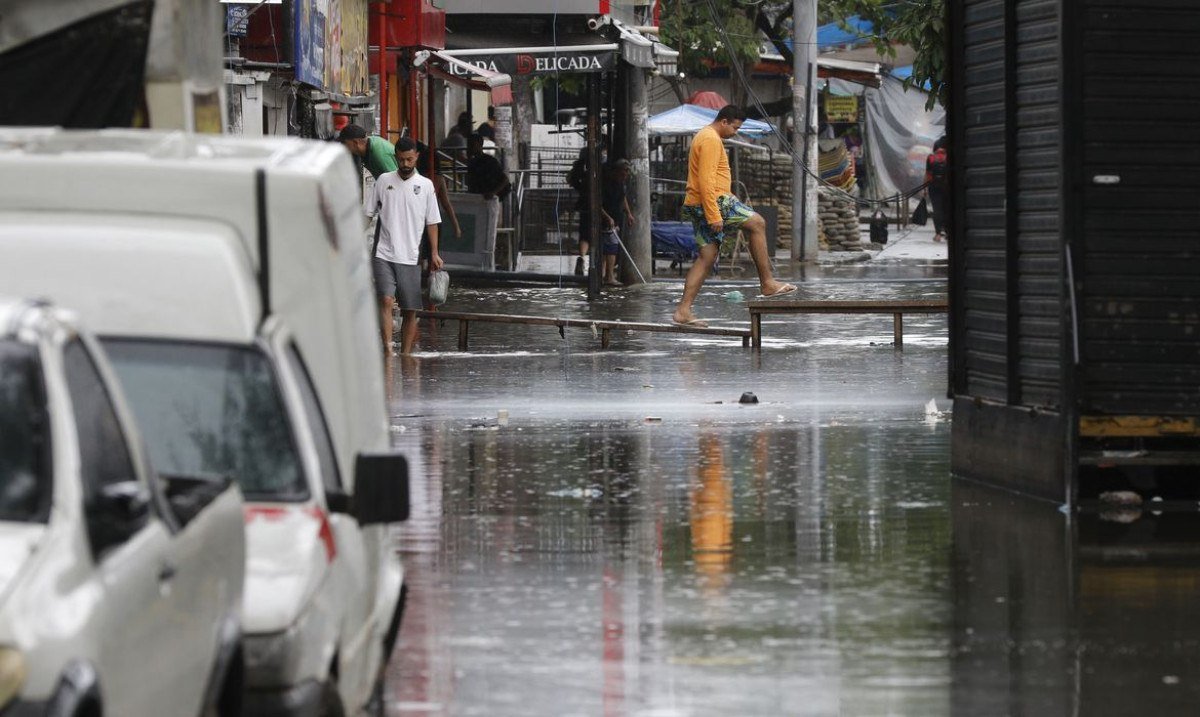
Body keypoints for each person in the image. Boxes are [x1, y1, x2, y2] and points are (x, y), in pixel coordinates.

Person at [673, 105, 795, 327]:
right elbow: (706, 181)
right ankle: (767, 283)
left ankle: (683, 310)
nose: (736, 132)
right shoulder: (710, 139)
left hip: (697, 202)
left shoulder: (704, 135)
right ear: (724, 122)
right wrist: (713, 215)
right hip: (713, 201)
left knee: (707, 257)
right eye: (735, 127)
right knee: (758, 223)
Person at [363, 137, 443, 355]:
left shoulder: (425, 186)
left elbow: (432, 221)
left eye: (409, 159)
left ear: (416, 157)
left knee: (410, 310)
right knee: (386, 299)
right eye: (401, 159)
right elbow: (368, 215)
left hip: (411, 256)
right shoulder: (382, 181)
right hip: (383, 253)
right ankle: (388, 351)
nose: (405, 164)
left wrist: (434, 252)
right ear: (395, 157)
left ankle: (406, 355)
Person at [566, 134, 609, 276]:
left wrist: (581, 188)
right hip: (597, 200)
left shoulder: (583, 159)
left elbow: (571, 178)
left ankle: (583, 257)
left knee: (585, 233)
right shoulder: (601, 160)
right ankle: (597, 263)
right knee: (600, 232)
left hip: (585, 200)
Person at [465, 133, 509, 266]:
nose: (469, 147)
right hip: (477, 202)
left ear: (479, 145)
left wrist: (492, 193)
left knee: (488, 233)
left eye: (472, 144)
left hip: (488, 203)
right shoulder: (473, 163)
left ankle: (489, 261)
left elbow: (505, 180)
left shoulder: (489, 162)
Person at [599, 159, 634, 286]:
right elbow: (598, 204)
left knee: (611, 247)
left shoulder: (620, 184)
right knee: (609, 248)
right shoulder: (606, 184)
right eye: (623, 172)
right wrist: (607, 217)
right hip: (605, 220)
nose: (625, 175)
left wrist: (629, 213)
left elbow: (623, 197)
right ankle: (608, 276)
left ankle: (606, 275)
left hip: (615, 220)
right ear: (617, 171)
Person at [925, 136, 949, 242]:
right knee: (948, 209)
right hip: (947, 187)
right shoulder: (949, 157)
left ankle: (938, 234)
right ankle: (948, 233)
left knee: (937, 210)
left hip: (933, 187)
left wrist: (925, 188)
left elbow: (927, 174)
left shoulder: (931, 158)